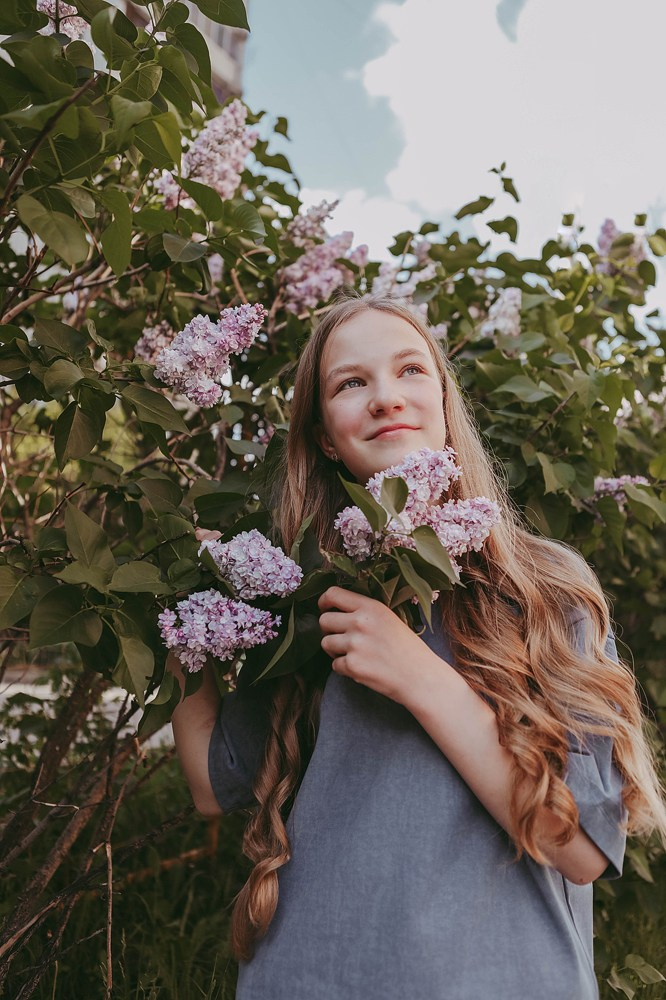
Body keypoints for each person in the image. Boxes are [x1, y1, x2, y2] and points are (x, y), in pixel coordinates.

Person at [169, 292, 666, 999]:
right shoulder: (305, 602)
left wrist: (419, 677)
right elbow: (210, 786)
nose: (385, 398)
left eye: (410, 371)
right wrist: (183, 616)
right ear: (322, 435)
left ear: (442, 400)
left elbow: (580, 848)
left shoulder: (546, 591)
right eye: (351, 383)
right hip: (310, 976)